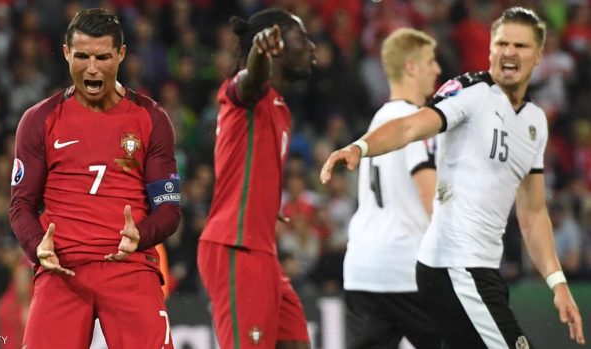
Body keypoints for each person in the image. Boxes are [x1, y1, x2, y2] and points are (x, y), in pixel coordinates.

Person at [321, 7, 586, 348]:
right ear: (489, 50)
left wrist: (557, 282)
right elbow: (412, 126)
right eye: (501, 43)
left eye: (519, 46)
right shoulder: (471, 92)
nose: (508, 52)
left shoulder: (535, 122)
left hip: (479, 270)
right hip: (456, 266)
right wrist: (361, 146)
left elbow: (533, 212)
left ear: (538, 56)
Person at [8, 9, 181, 349]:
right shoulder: (39, 120)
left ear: (121, 54)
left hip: (129, 267)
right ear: (66, 53)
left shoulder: (151, 118)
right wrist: (36, 246)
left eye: (102, 57)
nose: (91, 68)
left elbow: (169, 211)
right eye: (82, 56)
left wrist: (141, 235)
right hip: (62, 269)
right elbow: (21, 205)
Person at [197, 8, 316, 349]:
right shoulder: (245, 93)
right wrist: (259, 54)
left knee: (295, 343)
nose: (312, 48)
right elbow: (251, 80)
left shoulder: (280, 108)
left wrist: (266, 201)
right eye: (301, 39)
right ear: (275, 47)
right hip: (236, 247)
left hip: (262, 249)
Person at [343, 28, 442, 349]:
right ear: (411, 67)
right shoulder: (414, 123)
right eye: (430, 61)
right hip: (406, 267)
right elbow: (432, 199)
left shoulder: (378, 121)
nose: (438, 69)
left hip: (362, 269)